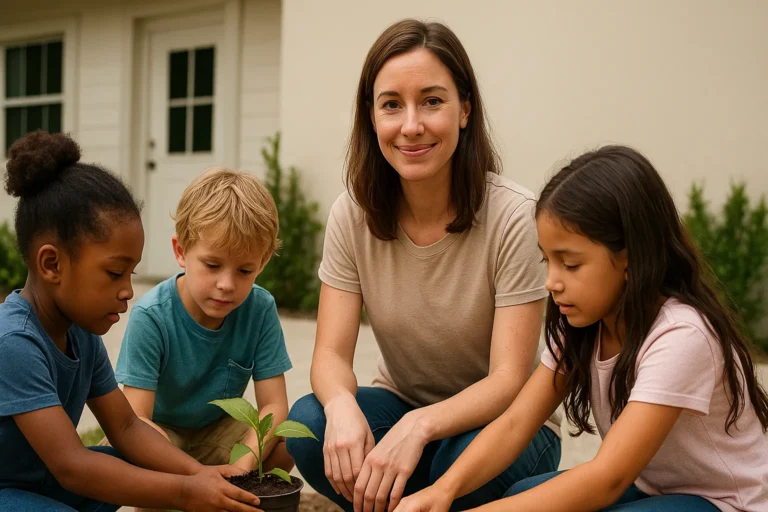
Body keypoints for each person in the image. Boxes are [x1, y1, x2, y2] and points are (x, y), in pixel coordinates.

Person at [395, 145, 768, 512]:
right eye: (547, 260)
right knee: (520, 495)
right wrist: (443, 491)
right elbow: (514, 423)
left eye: (570, 265)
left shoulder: (681, 336)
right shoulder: (583, 324)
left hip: (724, 503)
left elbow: (608, 478)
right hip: (654, 489)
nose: (551, 282)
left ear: (630, 257)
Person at [286, 19, 562, 512]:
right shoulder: (352, 214)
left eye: (432, 101)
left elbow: (509, 378)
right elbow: (328, 355)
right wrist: (343, 406)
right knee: (311, 425)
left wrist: (422, 425)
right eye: (392, 104)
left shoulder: (515, 216)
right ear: (371, 118)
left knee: (456, 467)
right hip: (402, 406)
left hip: (504, 426)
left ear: (464, 111)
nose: (411, 125)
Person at [0, 131, 262, 512]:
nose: (127, 291)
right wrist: (187, 494)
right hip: (8, 490)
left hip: (46, 485)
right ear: (52, 264)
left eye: (131, 274)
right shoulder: (14, 341)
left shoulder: (80, 332)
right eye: (114, 273)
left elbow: (125, 427)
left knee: (131, 463)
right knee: (99, 471)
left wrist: (197, 474)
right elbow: (72, 467)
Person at [114, 168, 293, 483]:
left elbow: (274, 405)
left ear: (262, 263)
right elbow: (136, 418)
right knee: (140, 451)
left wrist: (242, 468)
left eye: (244, 270)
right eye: (212, 266)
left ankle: (237, 498)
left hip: (219, 431)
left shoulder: (260, 308)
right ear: (181, 251)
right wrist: (194, 475)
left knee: (292, 440)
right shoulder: (151, 316)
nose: (227, 284)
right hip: (161, 434)